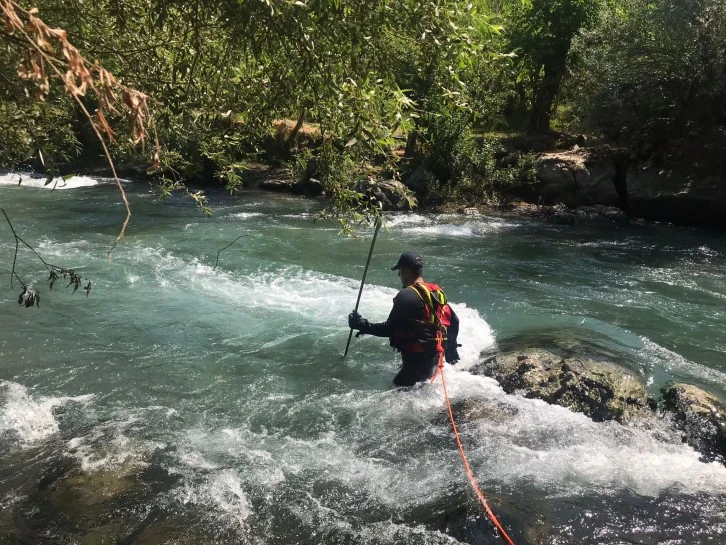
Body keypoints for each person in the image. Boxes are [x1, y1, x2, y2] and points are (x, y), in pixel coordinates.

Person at [348, 251, 460, 387]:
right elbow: (454, 320)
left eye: (400, 272)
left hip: (414, 368)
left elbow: (389, 329)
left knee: (396, 388)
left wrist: (361, 325)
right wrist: (451, 350)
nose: (399, 276)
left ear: (406, 272)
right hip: (433, 362)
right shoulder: (435, 291)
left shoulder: (406, 296)